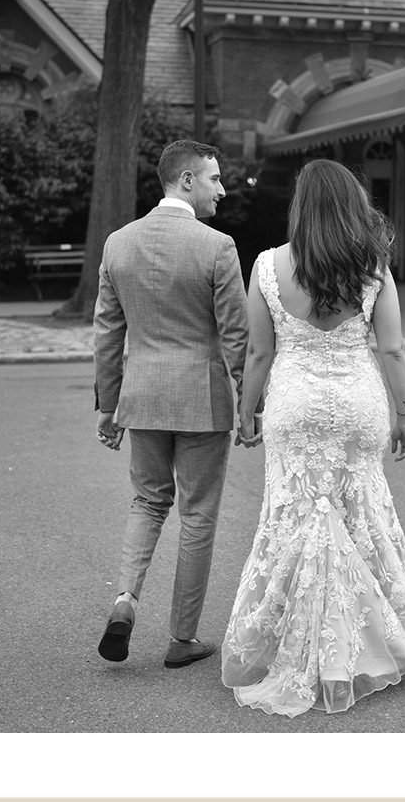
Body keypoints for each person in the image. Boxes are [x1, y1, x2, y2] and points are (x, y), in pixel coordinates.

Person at [221, 158, 405, 716]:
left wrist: (245, 411)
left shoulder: (269, 267)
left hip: (294, 406)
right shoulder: (372, 267)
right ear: (351, 206)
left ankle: (286, 644)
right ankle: (371, 641)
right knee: (359, 512)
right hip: (356, 405)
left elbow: (259, 351)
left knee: (294, 515)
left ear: (301, 206)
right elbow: (391, 349)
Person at [95, 139, 249, 669]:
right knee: (198, 515)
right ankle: (182, 639)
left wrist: (107, 405)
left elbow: (107, 332)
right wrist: (251, 405)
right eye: (214, 178)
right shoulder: (217, 247)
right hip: (201, 401)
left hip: (142, 397)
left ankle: (125, 599)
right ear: (186, 180)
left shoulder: (118, 243)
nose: (222, 189)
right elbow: (236, 338)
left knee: (147, 502)